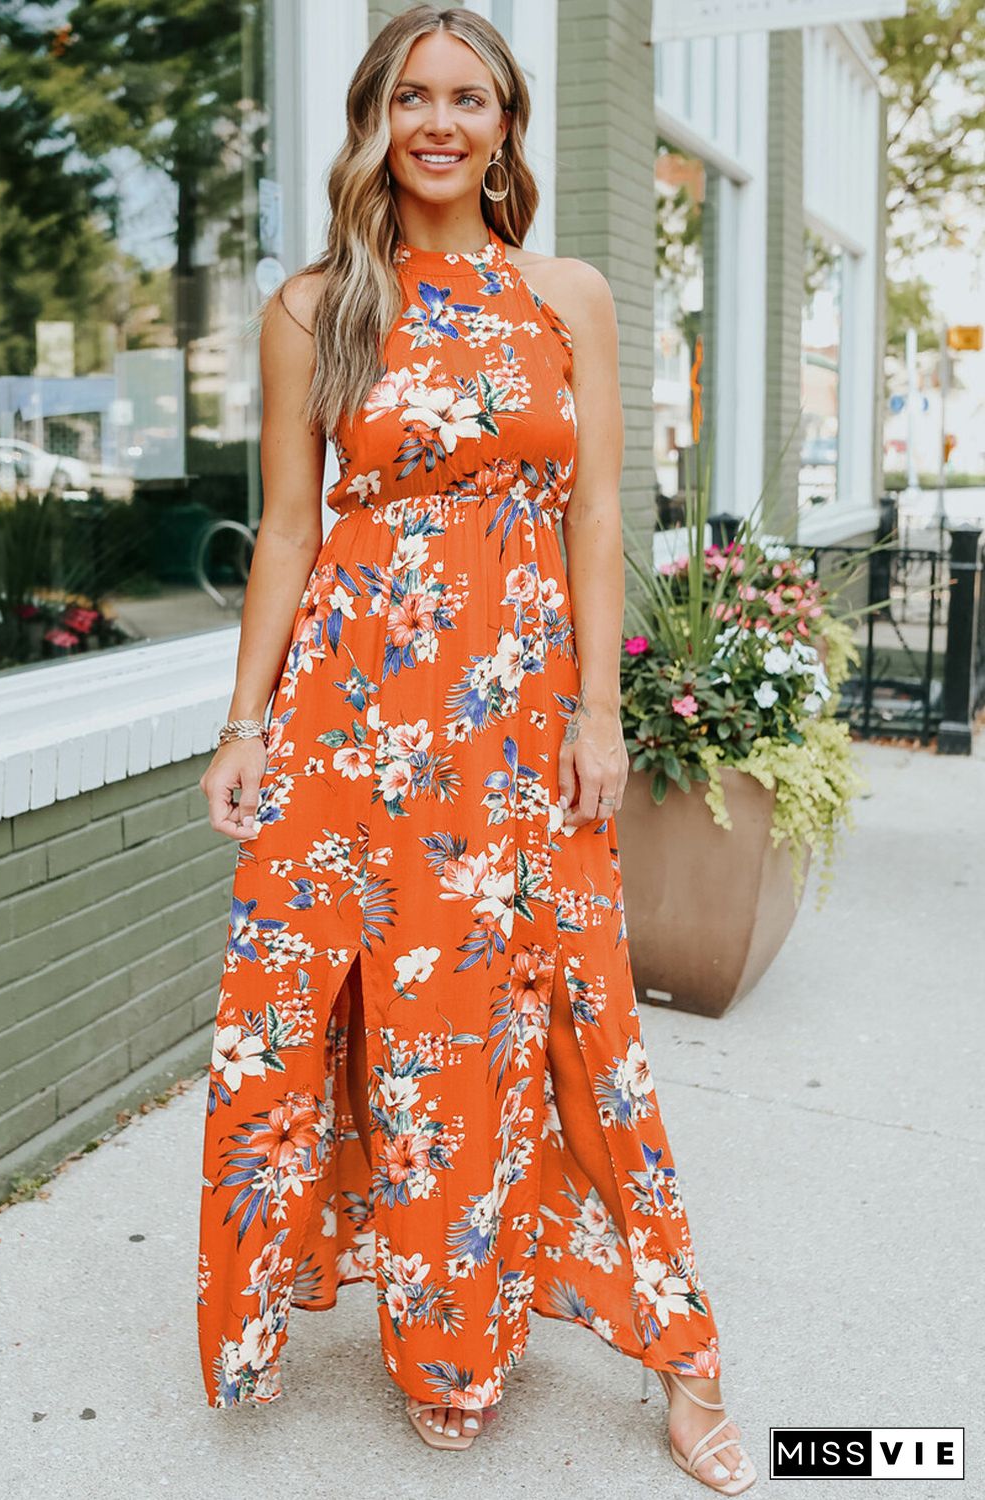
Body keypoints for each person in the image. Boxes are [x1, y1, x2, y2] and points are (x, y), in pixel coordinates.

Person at [195, 6, 755, 1491]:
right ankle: (447, 1344)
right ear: (374, 118)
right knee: (366, 1025)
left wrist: (597, 711)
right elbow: (294, 530)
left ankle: (681, 1345)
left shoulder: (562, 292)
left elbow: (591, 519)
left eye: (468, 97)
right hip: (353, 719)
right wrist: (244, 727)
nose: (438, 121)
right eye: (410, 96)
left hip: (514, 726)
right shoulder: (314, 307)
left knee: (556, 1018)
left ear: (507, 125)